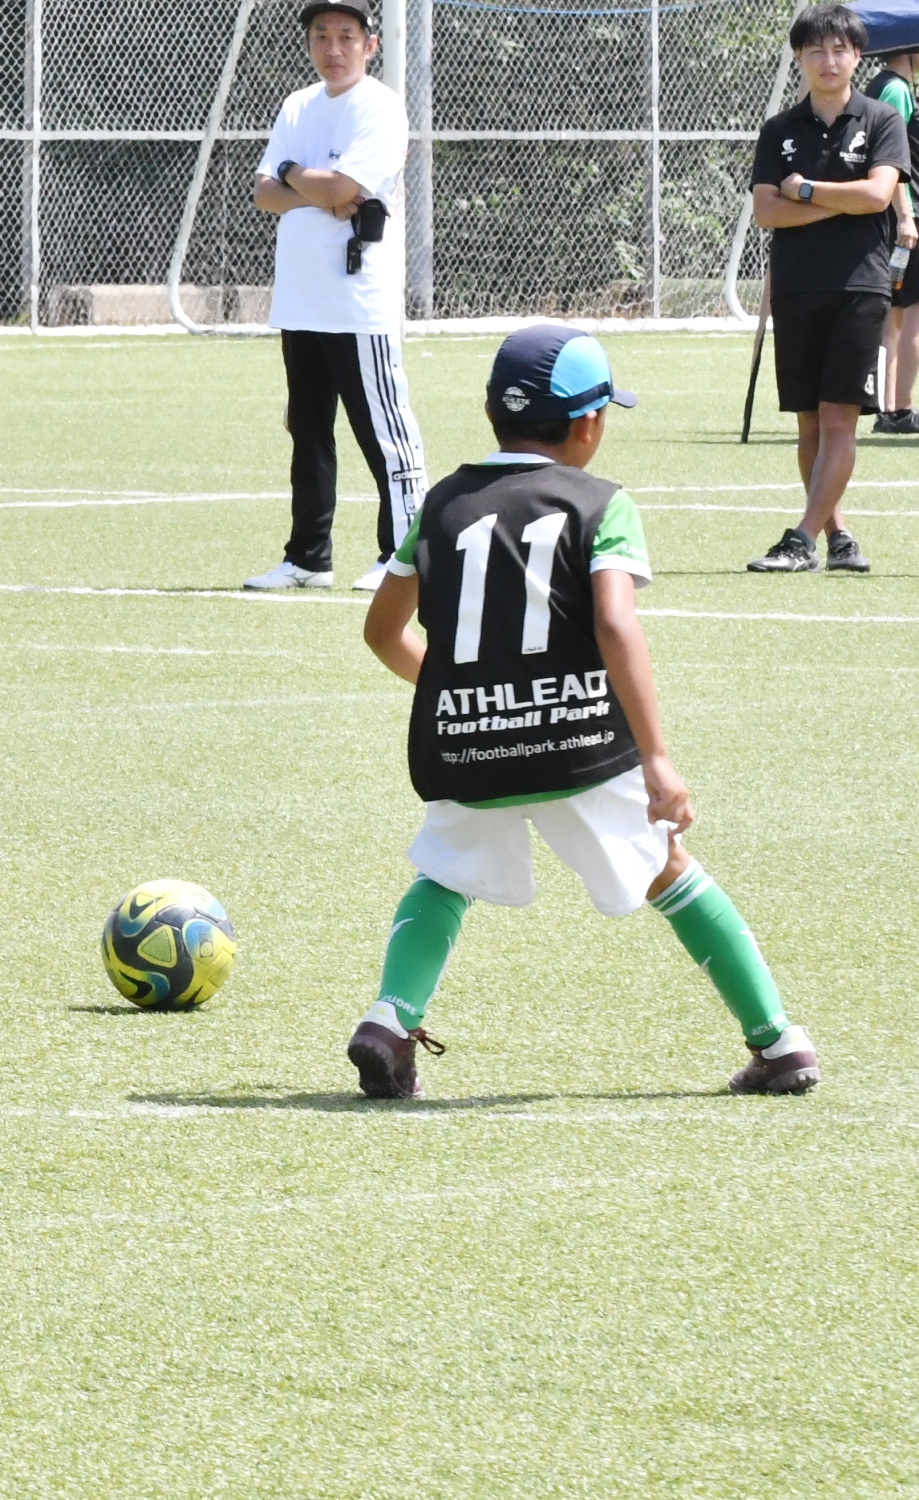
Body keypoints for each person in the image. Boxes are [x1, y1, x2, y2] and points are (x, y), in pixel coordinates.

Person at [344, 326, 818, 1100]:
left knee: (444, 875)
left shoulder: (440, 505)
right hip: (577, 741)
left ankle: (389, 1023)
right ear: (589, 422)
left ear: (491, 413)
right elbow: (614, 623)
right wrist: (656, 758)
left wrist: (462, 689)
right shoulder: (602, 504)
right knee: (668, 867)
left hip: (465, 739)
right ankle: (777, 1043)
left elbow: (381, 632)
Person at [242, 0, 427, 594]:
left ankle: (402, 556)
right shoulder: (297, 105)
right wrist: (312, 185)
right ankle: (308, 558)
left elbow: (346, 185)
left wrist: (294, 175)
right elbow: (264, 193)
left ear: (370, 44)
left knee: (384, 433)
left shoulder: (380, 106)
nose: (333, 48)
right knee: (309, 431)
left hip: (358, 300)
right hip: (302, 299)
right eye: (321, 35)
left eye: (347, 35)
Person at [744, 4, 909, 575]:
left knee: (840, 418)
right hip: (796, 289)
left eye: (840, 49)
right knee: (809, 423)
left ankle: (801, 540)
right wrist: (841, 201)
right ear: (799, 57)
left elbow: (878, 195)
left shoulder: (882, 119)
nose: (829, 60)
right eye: (816, 50)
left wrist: (807, 191)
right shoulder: (779, 130)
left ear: (858, 55)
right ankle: (838, 536)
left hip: (860, 288)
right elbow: (767, 212)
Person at [867, 48, 919, 436]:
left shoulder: (885, 87)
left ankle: (889, 409)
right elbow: (889, 156)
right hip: (910, 215)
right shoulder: (895, 88)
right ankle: (901, 407)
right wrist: (906, 216)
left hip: (896, 215)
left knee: (896, 314)